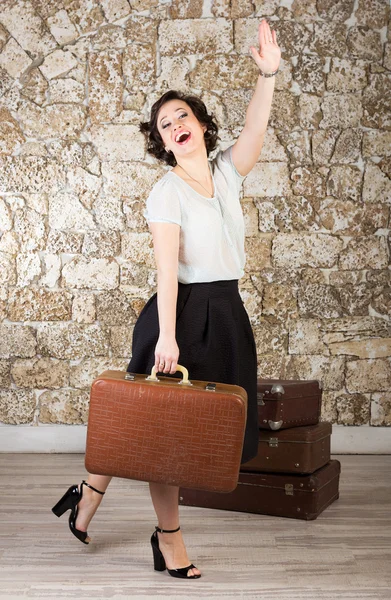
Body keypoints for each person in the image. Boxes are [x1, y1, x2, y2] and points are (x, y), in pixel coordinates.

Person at [52, 19, 281, 580]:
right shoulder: (166, 191)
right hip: (178, 313)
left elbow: (256, 127)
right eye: (164, 123)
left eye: (183, 115)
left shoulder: (228, 171)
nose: (175, 124)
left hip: (225, 311)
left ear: (201, 125)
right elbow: (166, 272)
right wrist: (169, 336)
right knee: (163, 433)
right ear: (160, 141)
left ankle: (84, 499)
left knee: (143, 426)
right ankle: (169, 538)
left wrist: (267, 76)